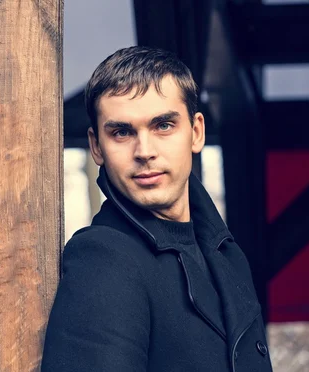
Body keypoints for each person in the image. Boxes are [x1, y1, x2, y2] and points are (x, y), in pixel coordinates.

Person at [41, 47, 273, 372]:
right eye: (122, 132)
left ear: (196, 132)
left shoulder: (225, 253)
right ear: (96, 146)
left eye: (163, 125)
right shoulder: (103, 258)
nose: (144, 151)